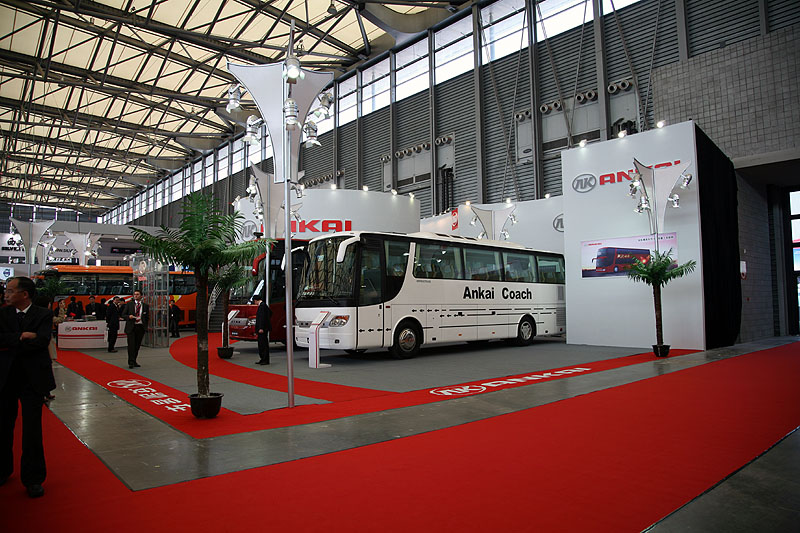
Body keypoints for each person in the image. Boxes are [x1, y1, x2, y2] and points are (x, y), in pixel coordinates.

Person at [0, 276, 56, 498]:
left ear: (24, 294)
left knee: (32, 430)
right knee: (4, 426)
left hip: (33, 379)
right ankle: (3, 469)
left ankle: (33, 478)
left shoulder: (43, 314)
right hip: (6, 378)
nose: (6, 294)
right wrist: (21, 337)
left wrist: (12, 341)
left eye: (10, 291)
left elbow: (41, 341)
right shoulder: (3, 314)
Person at [122, 291, 149, 368]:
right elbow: (123, 314)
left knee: (137, 345)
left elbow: (147, 317)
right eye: (135, 294)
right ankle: (131, 362)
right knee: (131, 345)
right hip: (131, 327)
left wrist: (145, 324)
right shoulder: (129, 304)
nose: (136, 296)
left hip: (140, 327)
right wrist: (129, 317)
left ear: (141, 296)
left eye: (137, 294)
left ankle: (134, 360)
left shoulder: (145, 306)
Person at [255, 297, 272, 365]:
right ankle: (263, 358)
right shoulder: (264, 306)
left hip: (262, 329)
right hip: (264, 328)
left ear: (256, 300)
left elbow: (261, 318)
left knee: (263, 344)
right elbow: (270, 313)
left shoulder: (262, 306)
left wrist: (261, 327)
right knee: (262, 344)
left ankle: (264, 359)